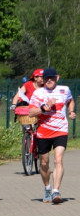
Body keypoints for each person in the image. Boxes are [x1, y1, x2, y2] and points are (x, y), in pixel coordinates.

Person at [28, 67, 76, 204]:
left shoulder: (64, 90)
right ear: (42, 80)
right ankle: (47, 187)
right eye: (46, 78)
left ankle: (56, 190)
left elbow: (70, 101)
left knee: (58, 160)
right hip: (43, 132)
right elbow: (31, 113)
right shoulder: (38, 93)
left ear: (57, 78)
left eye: (52, 78)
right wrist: (44, 107)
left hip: (61, 130)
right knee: (44, 163)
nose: (49, 80)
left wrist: (71, 111)